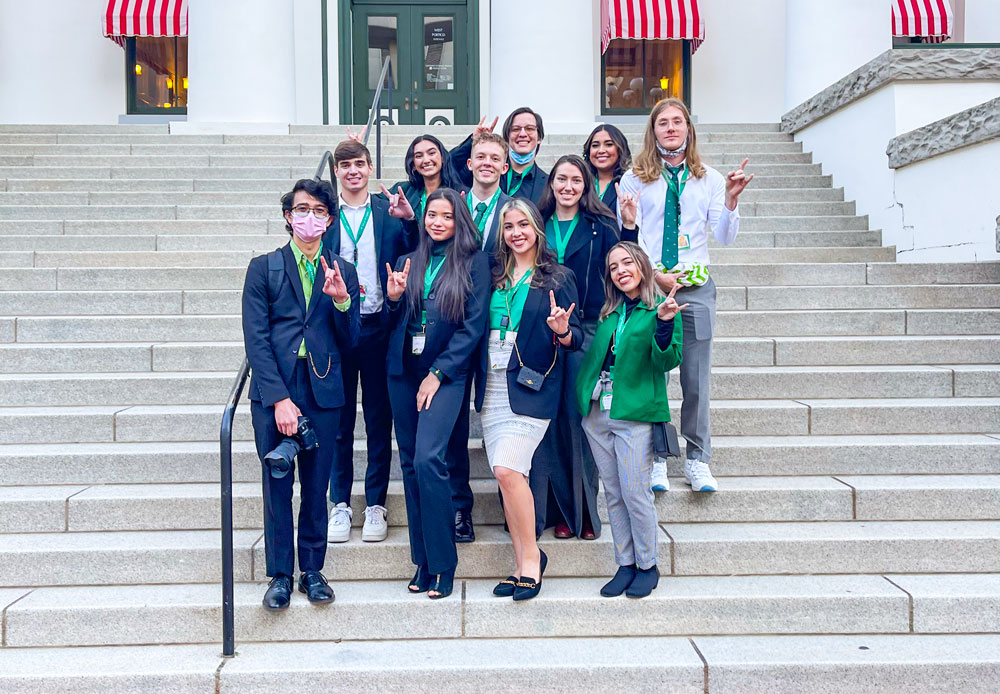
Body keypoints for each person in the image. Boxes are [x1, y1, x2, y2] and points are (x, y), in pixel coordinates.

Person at [617, 97, 753, 493]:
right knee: (653, 376)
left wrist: (731, 199)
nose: (671, 128)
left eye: (678, 122)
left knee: (696, 379)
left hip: (695, 288)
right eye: (663, 123)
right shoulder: (635, 177)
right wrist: (654, 276)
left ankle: (697, 459)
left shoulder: (708, 178)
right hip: (651, 288)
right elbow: (633, 234)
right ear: (653, 130)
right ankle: (657, 457)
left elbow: (724, 236)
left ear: (688, 129)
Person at [242, 178, 361, 610]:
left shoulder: (341, 270)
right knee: (277, 484)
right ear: (288, 217)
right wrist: (278, 399)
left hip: (325, 388)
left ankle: (312, 569)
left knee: (316, 485)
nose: (309, 217)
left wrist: (344, 301)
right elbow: (255, 339)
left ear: (329, 220)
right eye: (301, 209)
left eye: (318, 211)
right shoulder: (264, 268)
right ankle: (279, 574)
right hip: (276, 389)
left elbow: (353, 343)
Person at [384, 188, 490, 599]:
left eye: (447, 216)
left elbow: (474, 325)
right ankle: (423, 560)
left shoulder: (475, 263)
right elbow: (395, 322)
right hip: (402, 372)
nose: (438, 222)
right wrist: (394, 299)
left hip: (445, 376)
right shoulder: (409, 261)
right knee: (410, 465)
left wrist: (439, 373)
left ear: (458, 220)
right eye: (432, 215)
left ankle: (445, 563)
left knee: (430, 459)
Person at [484, 199, 581, 601]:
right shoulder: (494, 275)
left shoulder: (557, 277)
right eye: (509, 226)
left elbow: (575, 337)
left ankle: (530, 564)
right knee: (510, 478)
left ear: (537, 228)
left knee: (508, 470)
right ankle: (525, 557)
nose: (516, 232)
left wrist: (562, 330)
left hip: (531, 386)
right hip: (491, 386)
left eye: (523, 224)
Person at [575, 241, 684, 598]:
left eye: (626, 263)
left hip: (634, 414)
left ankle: (647, 564)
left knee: (636, 492)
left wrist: (665, 324)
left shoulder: (661, 309)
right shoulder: (610, 313)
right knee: (614, 494)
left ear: (642, 265)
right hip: (598, 413)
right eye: (613, 267)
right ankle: (624, 563)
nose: (620, 270)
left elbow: (667, 361)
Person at [325, 139, 418, 544]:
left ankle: (376, 503)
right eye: (345, 165)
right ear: (337, 172)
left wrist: (410, 220)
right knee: (340, 421)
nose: (353, 171)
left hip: (380, 324)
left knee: (380, 419)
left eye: (359, 163)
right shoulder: (326, 215)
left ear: (369, 167)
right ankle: (340, 504)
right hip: (340, 324)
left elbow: (416, 250)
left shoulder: (388, 211)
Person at [530, 154, 619, 540]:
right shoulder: (536, 224)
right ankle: (556, 511)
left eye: (576, 181)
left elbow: (619, 277)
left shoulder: (601, 226)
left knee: (577, 422)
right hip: (537, 332)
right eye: (561, 179)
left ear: (586, 187)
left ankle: (583, 515)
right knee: (545, 426)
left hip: (585, 330)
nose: (568, 187)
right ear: (551, 184)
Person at [452, 108, 550, 205]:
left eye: (529, 129)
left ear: (539, 138)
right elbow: (448, 165)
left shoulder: (548, 184)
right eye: (516, 129)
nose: (523, 134)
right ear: (507, 137)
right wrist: (473, 141)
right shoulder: (486, 169)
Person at [388, 134, 467, 219]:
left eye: (432, 153)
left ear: (442, 157)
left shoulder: (458, 192)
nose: (426, 160)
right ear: (413, 165)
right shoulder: (404, 191)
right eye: (419, 156)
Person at [466, 131, 512, 253]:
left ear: (504, 168)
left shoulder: (513, 209)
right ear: (470, 164)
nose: (487, 163)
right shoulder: (454, 205)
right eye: (480, 157)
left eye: (495, 159)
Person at [582, 123, 633, 216]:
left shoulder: (629, 182)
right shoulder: (582, 182)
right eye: (595, 145)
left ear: (620, 149)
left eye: (609, 144)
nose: (601, 150)